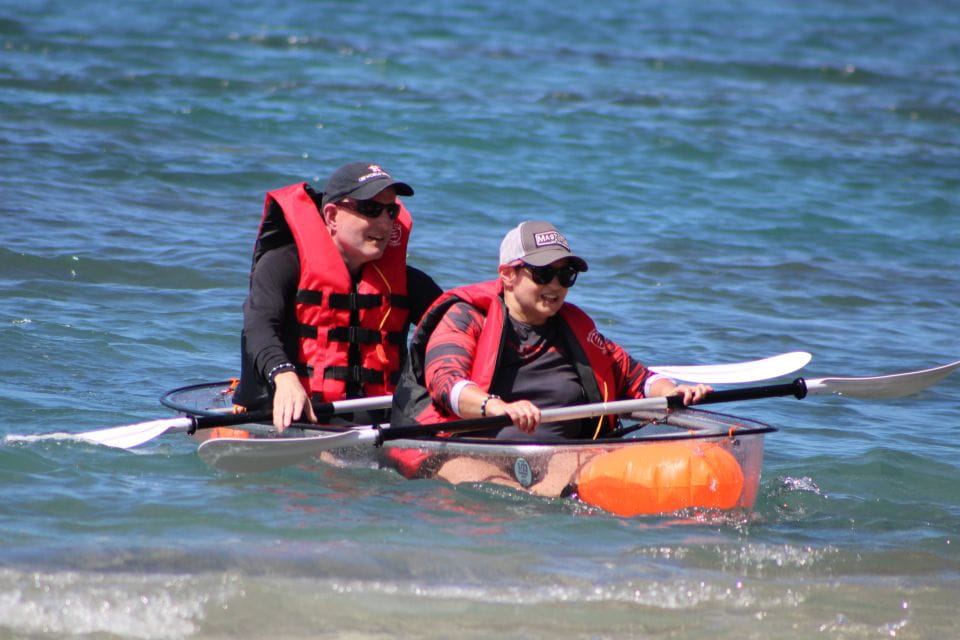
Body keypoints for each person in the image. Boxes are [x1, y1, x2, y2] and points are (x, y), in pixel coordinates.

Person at [391, 220, 710, 441]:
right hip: (478, 453)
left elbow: (635, 377)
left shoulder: (574, 326)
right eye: (543, 274)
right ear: (508, 274)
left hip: (568, 457)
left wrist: (672, 391)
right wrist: (498, 407)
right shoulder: (466, 316)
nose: (556, 286)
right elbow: (446, 383)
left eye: (566, 275)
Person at [232, 162, 442, 430]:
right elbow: (258, 328)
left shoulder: (406, 281)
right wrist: (283, 375)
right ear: (331, 216)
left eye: (391, 211)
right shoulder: (281, 265)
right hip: (297, 413)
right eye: (370, 209)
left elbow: (455, 327)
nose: (385, 221)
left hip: (380, 422)